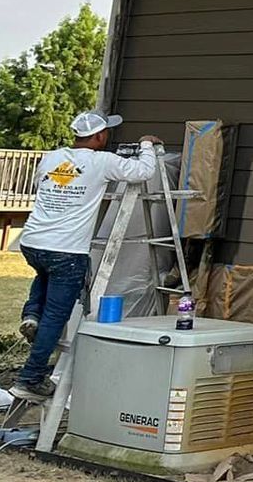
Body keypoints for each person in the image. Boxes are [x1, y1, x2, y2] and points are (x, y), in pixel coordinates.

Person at [12, 111, 162, 403]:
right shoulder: (102, 161)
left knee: (44, 273)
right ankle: (31, 378)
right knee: (56, 316)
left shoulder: (52, 158)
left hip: (33, 242)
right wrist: (146, 145)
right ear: (99, 136)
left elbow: (43, 183)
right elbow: (143, 172)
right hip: (67, 250)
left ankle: (31, 314)